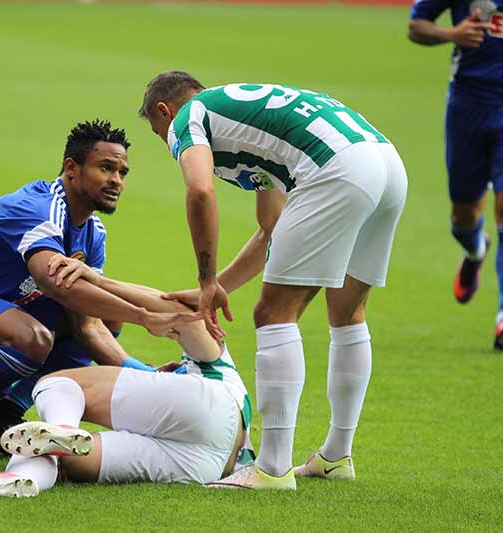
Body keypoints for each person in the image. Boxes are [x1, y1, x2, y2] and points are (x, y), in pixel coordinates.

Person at [138, 72, 408, 490]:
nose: (168, 141)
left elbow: (200, 192)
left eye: (160, 133)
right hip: (384, 163)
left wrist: (206, 279)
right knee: (348, 312)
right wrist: (220, 283)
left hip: (337, 168)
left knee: (273, 314)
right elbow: (272, 228)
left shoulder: (188, 115)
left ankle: (272, 468)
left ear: (164, 110)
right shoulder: (246, 121)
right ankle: (336, 456)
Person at [0, 120, 200, 467]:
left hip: (5, 303)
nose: (117, 181)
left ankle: (1, 417)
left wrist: (143, 374)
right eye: (106, 168)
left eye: (123, 172)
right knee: (33, 338)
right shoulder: (37, 207)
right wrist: (144, 316)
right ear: (71, 168)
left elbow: (88, 326)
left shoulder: (93, 232)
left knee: (102, 315)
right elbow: (55, 284)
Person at [0, 258, 253, 497]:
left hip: (212, 406)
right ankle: (6, 484)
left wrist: (97, 281)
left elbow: (179, 311)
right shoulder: (213, 385)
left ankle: (62, 428)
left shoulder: (218, 366)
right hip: (210, 464)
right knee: (59, 457)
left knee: (57, 383)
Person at [408, 2, 503, 348]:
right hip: (468, 106)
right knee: (462, 218)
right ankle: (476, 250)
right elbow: (416, 26)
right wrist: (453, 33)